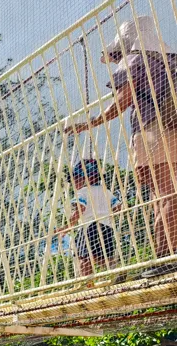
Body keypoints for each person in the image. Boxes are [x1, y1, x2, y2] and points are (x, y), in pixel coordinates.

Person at [65, 16, 177, 277]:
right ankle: (167, 255)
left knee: (163, 194)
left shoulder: (136, 59)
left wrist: (91, 123)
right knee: (164, 193)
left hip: (154, 129)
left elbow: (123, 98)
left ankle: (167, 258)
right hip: (173, 125)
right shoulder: (170, 61)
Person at [61, 159, 122, 281]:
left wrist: (65, 228)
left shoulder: (82, 192)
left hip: (89, 227)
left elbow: (79, 210)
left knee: (82, 256)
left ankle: (87, 283)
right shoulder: (106, 191)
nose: (74, 183)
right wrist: (107, 214)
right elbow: (118, 207)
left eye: (76, 178)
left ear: (87, 178)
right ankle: (116, 270)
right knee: (103, 255)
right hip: (107, 227)